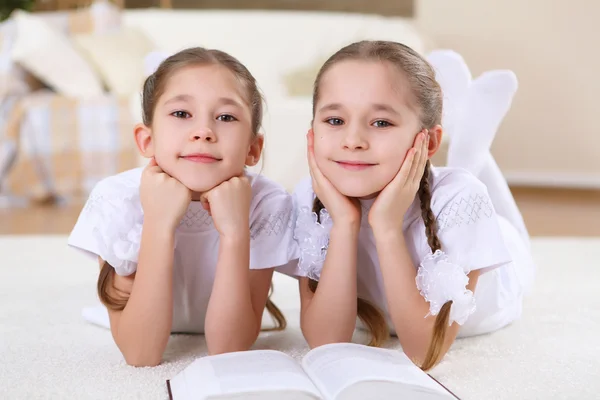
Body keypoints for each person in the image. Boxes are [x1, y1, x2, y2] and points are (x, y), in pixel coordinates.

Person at [282, 40, 535, 370]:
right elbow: (325, 342)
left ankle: (474, 150)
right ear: (312, 130)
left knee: (506, 223)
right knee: (462, 176)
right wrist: (345, 223)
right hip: (437, 196)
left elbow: (422, 353)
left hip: (497, 282)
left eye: (381, 123)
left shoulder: (462, 199)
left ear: (428, 141)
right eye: (334, 121)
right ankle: (465, 140)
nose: (353, 140)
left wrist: (386, 227)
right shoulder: (310, 198)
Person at [68, 47, 298, 367]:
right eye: (181, 114)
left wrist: (234, 233)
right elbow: (140, 354)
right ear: (147, 140)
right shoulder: (117, 200)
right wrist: (159, 225)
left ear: (252, 148)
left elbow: (229, 350)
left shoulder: (265, 203)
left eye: (226, 117)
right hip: (141, 320)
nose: (203, 132)